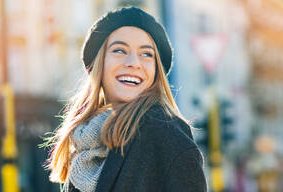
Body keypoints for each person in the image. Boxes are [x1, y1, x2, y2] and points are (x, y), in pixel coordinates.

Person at [46, 7, 207, 192]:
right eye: (120, 50)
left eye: (146, 54)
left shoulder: (166, 135)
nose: (133, 63)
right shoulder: (85, 149)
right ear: (100, 64)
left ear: (156, 72)